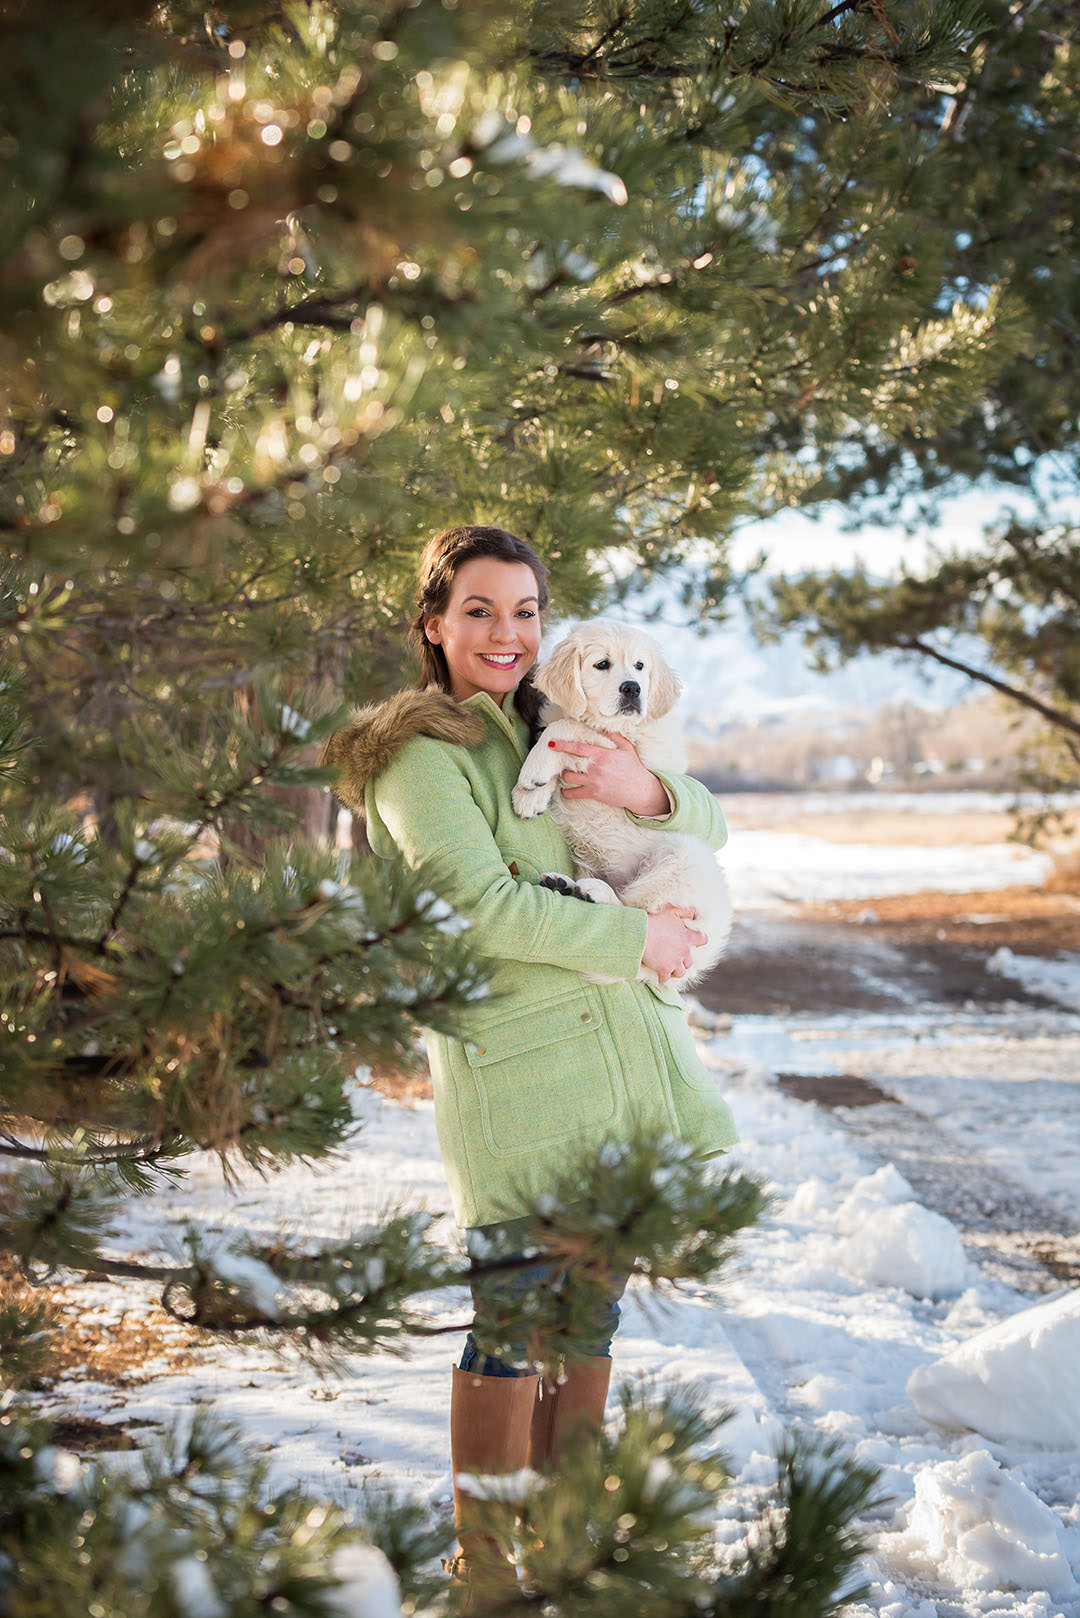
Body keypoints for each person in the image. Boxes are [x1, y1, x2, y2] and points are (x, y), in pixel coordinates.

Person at [323, 524, 737, 1609]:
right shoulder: (422, 755)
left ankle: (569, 1552)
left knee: (590, 1318)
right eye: (478, 610)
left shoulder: (550, 723)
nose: (505, 633)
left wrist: (652, 798)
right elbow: (481, 904)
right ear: (434, 624)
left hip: (618, 1073)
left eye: (524, 612)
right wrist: (632, 942)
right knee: (510, 1321)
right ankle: (488, 1573)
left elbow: (701, 821)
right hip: (517, 1076)